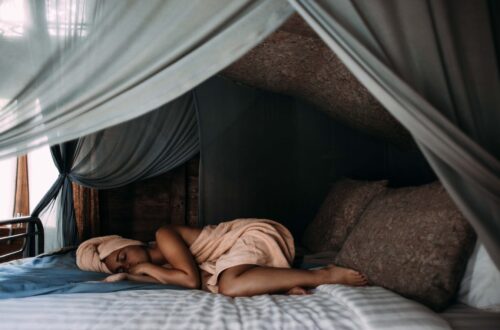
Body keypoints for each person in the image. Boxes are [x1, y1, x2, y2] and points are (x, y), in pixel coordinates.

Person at [76, 218, 367, 297]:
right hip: (235, 256)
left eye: (123, 256)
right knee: (218, 284)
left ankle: (323, 274)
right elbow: (200, 280)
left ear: (127, 243)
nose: (128, 263)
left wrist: (148, 267)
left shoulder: (164, 234)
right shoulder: (158, 266)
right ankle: (279, 282)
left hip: (250, 235)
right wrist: (129, 275)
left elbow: (190, 282)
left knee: (227, 285)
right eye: (123, 265)